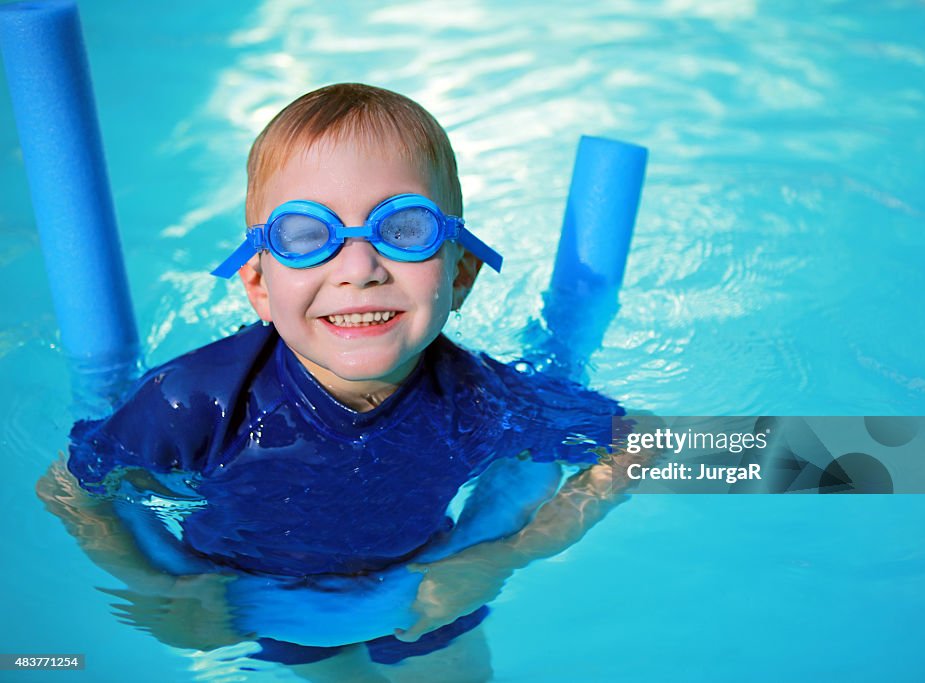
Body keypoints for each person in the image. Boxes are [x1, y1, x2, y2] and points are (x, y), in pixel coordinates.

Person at [56, 83, 646, 680]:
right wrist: (158, 586)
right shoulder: (193, 401)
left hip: (425, 584)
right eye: (307, 237)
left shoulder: (479, 403)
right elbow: (69, 486)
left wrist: (496, 560)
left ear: (461, 273)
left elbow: (641, 448)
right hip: (260, 594)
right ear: (259, 285)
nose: (359, 270)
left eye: (405, 228)